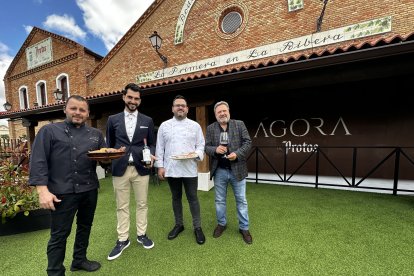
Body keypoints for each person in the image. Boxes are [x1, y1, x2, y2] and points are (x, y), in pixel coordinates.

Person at [29, 95, 105, 275]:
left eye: (82, 110)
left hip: (89, 189)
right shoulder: (49, 131)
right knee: (59, 235)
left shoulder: (96, 135)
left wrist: (111, 158)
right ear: (65, 109)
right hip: (61, 192)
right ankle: (55, 271)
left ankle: (79, 260)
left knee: (85, 227)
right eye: (74, 108)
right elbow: (38, 160)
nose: (78, 113)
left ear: (87, 113)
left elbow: (104, 157)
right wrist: (42, 191)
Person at [106, 83, 156, 261]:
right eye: (130, 97)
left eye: (136, 98)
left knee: (142, 204)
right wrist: (113, 153)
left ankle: (141, 235)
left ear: (140, 100)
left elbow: (151, 143)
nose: (133, 101)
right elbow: (109, 144)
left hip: (141, 168)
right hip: (120, 168)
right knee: (122, 206)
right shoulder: (112, 120)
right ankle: (123, 239)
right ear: (124, 97)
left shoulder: (147, 120)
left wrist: (151, 153)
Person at [155, 95, 206, 245]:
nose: (180, 108)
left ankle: (197, 227)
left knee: (193, 198)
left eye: (183, 105)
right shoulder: (164, 126)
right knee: (176, 197)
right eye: (177, 105)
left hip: (189, 168)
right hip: (172, 168)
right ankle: (179, 224)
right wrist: (160, 167)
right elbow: (160, 148)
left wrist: (196, 154)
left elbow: (201, 145)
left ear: (187, 109)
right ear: (172, 108)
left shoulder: (195, 126)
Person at [205, 101, 253, 244]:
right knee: (220, 200)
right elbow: (206, 147)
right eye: (219, 112)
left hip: (237, 169)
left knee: (241, 201)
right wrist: (215, 150)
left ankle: (244, 228)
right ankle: (222, 224)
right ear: (215, 114)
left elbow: (248, 142)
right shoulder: (211, 128)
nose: (222, 113)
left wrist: (237, 154)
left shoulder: (239, 124)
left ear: (229, 111)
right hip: (219, 170)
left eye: (224, 111)